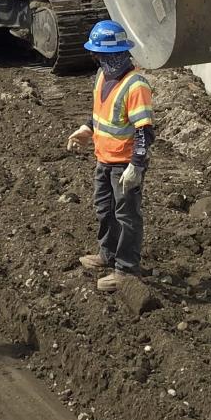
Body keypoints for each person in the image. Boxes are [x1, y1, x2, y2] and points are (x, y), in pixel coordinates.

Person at [67, 20, 154, 293]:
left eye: (103, 55)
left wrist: (136, 166)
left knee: (127, 216)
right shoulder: (102, 75)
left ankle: (126, 270)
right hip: (104, 159)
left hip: (124, 165)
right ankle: (108, 255)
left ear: (119, 53)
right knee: (105, 210)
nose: (100, 60)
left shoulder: (135, 85)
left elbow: (145, 131)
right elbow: (98, 112)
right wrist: (85, 129)